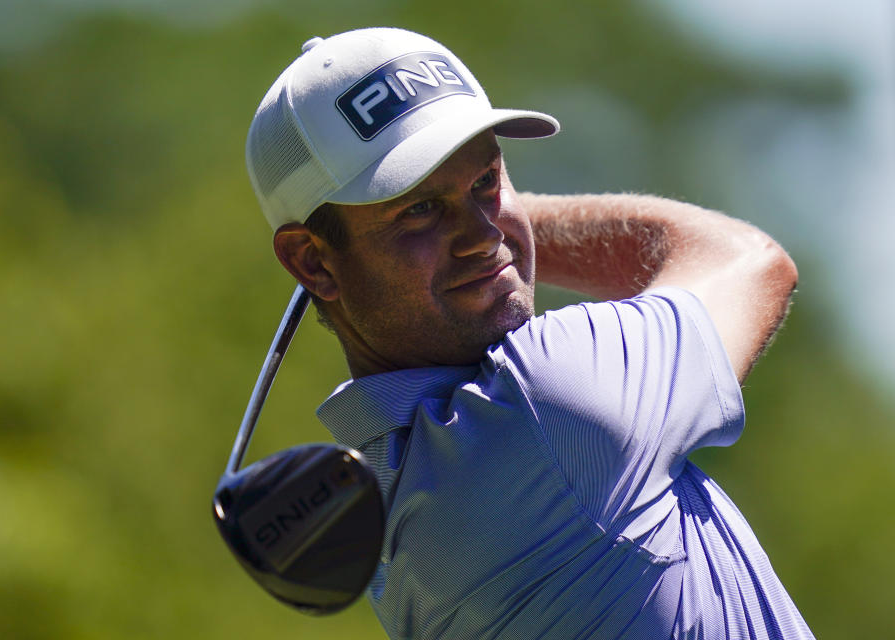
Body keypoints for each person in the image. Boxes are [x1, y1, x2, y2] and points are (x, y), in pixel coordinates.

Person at [245, 27, 814, 640]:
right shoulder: (546, 399)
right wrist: (519, 218)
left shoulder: (378, 503)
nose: (482, 233)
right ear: (313, 261)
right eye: (417, 209)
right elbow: (747, 260)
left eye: (487, 181)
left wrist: (471, 219)